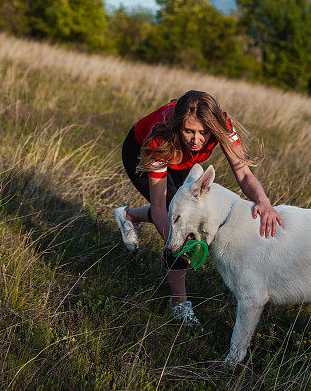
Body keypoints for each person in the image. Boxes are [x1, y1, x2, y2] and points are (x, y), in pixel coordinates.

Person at [115, 90, 283, 326]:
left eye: (204, 133)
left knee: (187, 214)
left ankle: (128, 215)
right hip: (143, 151)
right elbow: (161, 208)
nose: (197, 139)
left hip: (183, 157)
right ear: (178, 125)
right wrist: (178, 243)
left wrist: (264, 202)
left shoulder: (221, 125)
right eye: (189, 131)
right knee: (180, 226)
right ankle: (179, 305)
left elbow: (243, 173)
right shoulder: (160, 138)